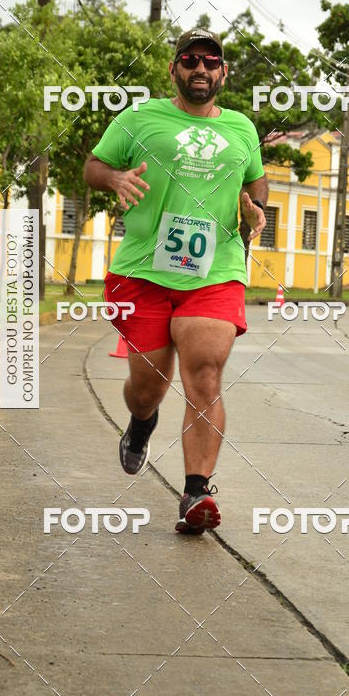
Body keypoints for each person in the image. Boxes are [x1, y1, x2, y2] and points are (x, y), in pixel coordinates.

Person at [83, 28, 268, 534]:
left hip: (216, 270)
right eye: (190, 60)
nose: (200, 69)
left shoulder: (242, 130)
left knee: (204, 373)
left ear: (224, 72)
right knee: (148, 387)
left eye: (211, 61)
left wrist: (256, 209)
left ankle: (195, 493)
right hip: (143, 272)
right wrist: (115, 178)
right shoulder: (139, 119)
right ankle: (142, 422)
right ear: (174, 69)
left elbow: (256, 180)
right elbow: (92, 165)